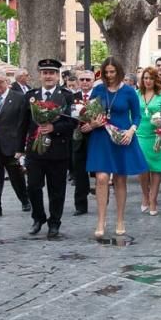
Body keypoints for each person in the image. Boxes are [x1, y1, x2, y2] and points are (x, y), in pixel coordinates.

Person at [83, 56, 147, 238]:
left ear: (119, 72)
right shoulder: (98, 90)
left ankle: (120, 219)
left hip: (122, 137)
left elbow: (137, 116)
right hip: (101, 137)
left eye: (112, 72)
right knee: (101, 178)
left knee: (120, 179)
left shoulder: (129, 92)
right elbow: (90, 112)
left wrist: (131, 131)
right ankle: (101, 220)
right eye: (106, 72)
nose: (109, 75)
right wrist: (93, 122)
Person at [23, 59, 76, 238]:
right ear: (40, 75)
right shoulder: (31, 96)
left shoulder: (67, 96)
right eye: (45, 73)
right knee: (33, 187)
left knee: (57, 190)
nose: (48, 76)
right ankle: (38, 218)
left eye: (51, 73)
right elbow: (23, 124)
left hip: (57, 151)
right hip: (35, 151)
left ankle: (54, 222)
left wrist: (54, 128)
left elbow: (72, 122)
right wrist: (19, 149)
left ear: (57, 75)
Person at [0, 70, 30, 218]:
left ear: (7, 83)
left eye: (0, 82)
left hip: (12, 145)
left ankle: (24, 200)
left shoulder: (19, 98)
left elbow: (23, 123)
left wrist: (21, 147)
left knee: (16, 177)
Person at [136, 66, 161, 215]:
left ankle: (153, 199)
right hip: (140, 134)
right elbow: (132, 113)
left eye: (151, 78)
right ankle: (145, 195)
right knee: (142, 167)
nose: (148, 81)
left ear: (156, 80)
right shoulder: (137, 94)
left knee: (156, 168)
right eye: (145, 78)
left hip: (157, 135)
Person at [68, 69, 95, 216]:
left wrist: (92, 125)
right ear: (78, 82)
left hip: (96, 138)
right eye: (82, 79)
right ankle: (80, 205)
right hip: (78, 139)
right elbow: (68, 117)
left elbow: (104, 115)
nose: (85, 82)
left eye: (88, 80)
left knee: (100, 173)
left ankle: (104, 199)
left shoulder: (99, 96)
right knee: (79, 173)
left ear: (92, 81)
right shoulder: (72, 97)